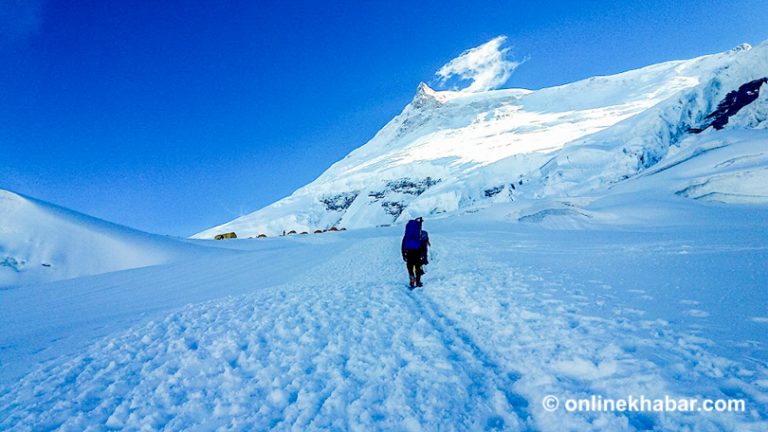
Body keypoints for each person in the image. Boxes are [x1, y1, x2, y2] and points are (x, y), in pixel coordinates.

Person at [401, 217, 424, 289]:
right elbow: (422, 245)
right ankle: (418, 282)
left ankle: (411, 276)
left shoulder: (407, 235)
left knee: (410, 266)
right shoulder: (418, 234)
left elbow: (403, 245)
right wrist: (423, 254)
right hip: (417, 252)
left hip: (409, 252)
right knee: (418, 267)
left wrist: (403, 255)